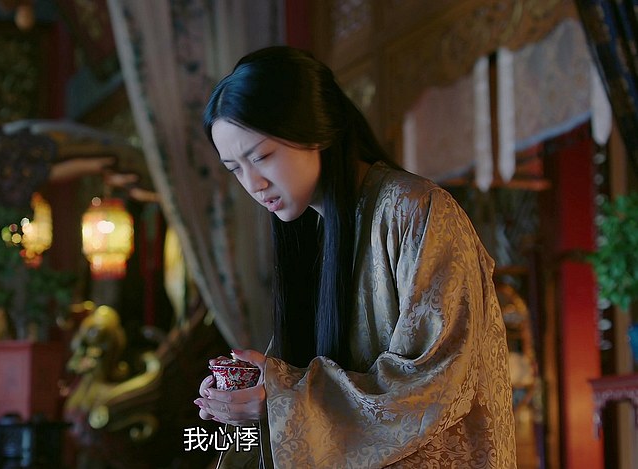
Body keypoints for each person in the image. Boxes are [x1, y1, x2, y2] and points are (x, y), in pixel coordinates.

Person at [194, 46, 516, 468]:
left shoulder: (416, 211)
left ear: (316, 131)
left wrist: (281, 401)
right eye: (235, 168)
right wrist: (249, 397)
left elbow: (437, 381)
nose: (253, 183)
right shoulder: (314, 231)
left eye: (262, 157)